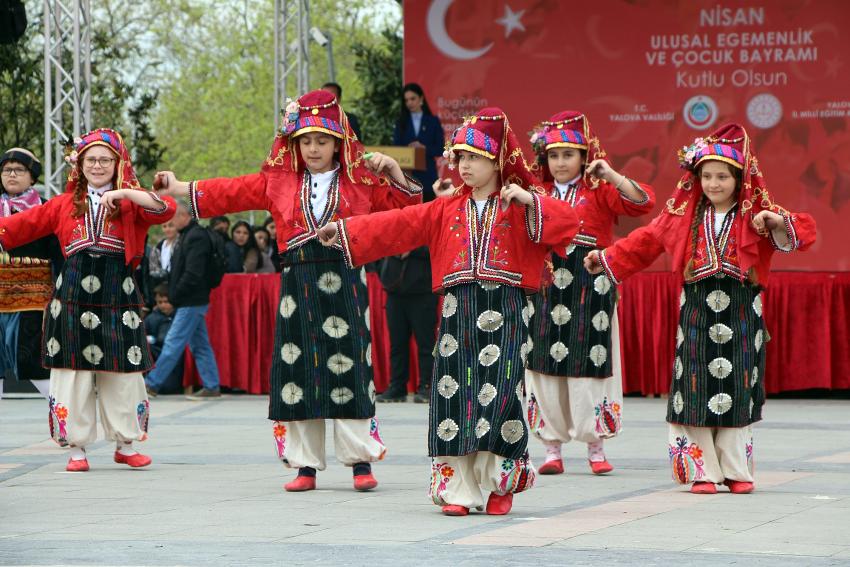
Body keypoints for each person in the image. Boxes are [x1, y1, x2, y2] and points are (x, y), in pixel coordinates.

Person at [153, 89, 422, 492]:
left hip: (347, 280)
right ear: (295, 143)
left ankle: (360, 462)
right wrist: (180, 186)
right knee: (298, 369)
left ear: (338, 142)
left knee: (349, 366)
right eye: (306, 140)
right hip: (297, 285)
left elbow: (408, 213)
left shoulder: (363, 180)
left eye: (322, 140)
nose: (313, 149)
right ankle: (304, 466)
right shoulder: (278, 181)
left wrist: (396, 174)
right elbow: (232, 190)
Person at [318, 107, 580, 516]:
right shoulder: (446, 207)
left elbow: (568, 224)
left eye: (473, 157)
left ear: (496, 160)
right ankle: (458, 490)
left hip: (507, 309)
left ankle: (499, 484)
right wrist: (346, 230)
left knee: (500, 396)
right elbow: (398, 225)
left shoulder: (520, 203)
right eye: (460, 157)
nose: (464, 165)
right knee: (453, 396)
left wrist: (530, 199)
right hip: (458, 311)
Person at [584, 123, 817, 494]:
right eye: (706, 175)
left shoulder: (757, 214)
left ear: (739, 178)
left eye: (722, 176)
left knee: (738, 388)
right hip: (694, 314)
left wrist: (776, 222)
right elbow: (645, 241)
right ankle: (703, 472)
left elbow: (803, 231)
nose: (713, 183)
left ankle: (737, 471)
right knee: (692, 389)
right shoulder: (683, 215)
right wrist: (607, 257)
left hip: (742, 313)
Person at [0, 128, 176, 471]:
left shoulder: (129, 202)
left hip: (118, 293)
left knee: (124, 369)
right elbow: (14, 228)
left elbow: (165, 209)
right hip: (71, 296)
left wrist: (127, 192)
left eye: (105, 160)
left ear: (117, 163)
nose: (97, 166)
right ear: (79, 164)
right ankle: (76, 450)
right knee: (72, 372)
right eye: (90, 160)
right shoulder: (63, 204)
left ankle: (125, 444)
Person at [524, 111, 656, 476]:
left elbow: (642, 202)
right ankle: (551, 449)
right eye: (554, 155)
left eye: (569, 154)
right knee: (543, 366)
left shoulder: (599, 191)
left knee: (591, 362)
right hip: (546, 286)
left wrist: (610, 174)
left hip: (592, 283)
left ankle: (595, 448)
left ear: (585, 157)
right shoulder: (536, 193)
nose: (561, 162)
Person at [0, 148, 62, 401]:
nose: (11, 174)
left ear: (32, 177)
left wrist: (60, 290)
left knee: (35, 364)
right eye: (6, 170)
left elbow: (58, 254)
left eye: (19, 170)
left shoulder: (46, 209)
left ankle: (65, 422)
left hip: (34, 298)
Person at [145, 203, 222, 399]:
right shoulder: (190, 235)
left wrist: (175, 295)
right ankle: (211, 385)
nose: (170, 221)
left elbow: (193, 273)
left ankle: (151, 384)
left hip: (191, 299)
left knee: (173, 341)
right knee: (200, 344)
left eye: (174, 217)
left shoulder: (195, 237)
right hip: (192, 298)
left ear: (184, 216)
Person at [375, 246, 437, 404]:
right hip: (394, 292)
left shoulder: (427, 223)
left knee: (426, 343)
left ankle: (427, 386)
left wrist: (412, 249)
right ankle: (397, 386)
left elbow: (437, 248)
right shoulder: (392, 225)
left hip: (422, 292)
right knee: (397, 345)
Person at [393, 83, 445, 202]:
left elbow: (440, 149)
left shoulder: (433, 121)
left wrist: (423, 148)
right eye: (406, 100)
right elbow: (396, 148)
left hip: (428, 176)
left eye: (413, 99)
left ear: (421, 98)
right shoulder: (400, 122)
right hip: (406, 177)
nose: (409, 103)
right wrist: (408, 150)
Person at [143, 284, 183, 394]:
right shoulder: (151, 318)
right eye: (160, 302)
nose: (163, 305)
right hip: (155, 355)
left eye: (166, 302)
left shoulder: (180, 318)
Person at [147, 218, 178, 291]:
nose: (167, 229)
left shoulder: (181, 244)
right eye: (164, 226)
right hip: (161, 285)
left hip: (176, 283)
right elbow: (153, 268)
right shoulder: (159, 246)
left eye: (171, 226)